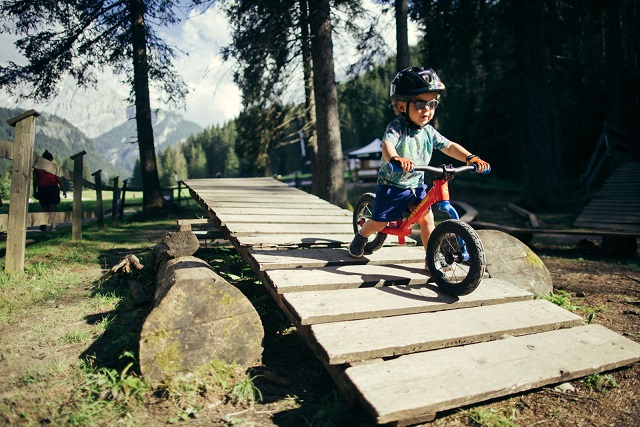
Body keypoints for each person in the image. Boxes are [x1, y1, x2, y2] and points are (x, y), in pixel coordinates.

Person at [348, 66, 490, 267]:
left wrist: (471, 158)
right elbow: (386, 144)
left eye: (432, 104)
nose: (427, 110)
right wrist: (395, 158)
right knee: (380, 223)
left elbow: (449, 146)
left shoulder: (429, 132)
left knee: (427, 219)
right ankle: (361, 236)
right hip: (393, 185)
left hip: (416, 185)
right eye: (420, 103)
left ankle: (431, 259)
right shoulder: (397, 127)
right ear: (401, 106)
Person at [33, 150, 67, 231]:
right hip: (52, 188)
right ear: (51, 159)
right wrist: (64, 190)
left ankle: (43, 223)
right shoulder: (54, 167)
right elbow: (59, 180)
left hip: (42, 189)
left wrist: (35, 191)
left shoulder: (37, 168)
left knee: (44, 208)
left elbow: (35, 181)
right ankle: (53, 226)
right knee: (52, 208)